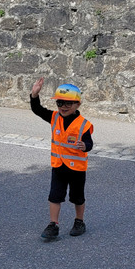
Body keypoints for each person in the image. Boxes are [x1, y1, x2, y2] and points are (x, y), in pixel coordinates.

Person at [30, 78, 94, 241]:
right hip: (58, 166)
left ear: (77, 105)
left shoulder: (83, 124)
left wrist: (84, 146)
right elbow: (37, 109)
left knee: (77, 197)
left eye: (68, 104)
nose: (63, 107)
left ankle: (79, 222)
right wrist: (34, 95)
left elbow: (89, 143)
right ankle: (53, 224)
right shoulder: (53, 117)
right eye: (60, 103)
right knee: (54, 196)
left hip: (77, 169)